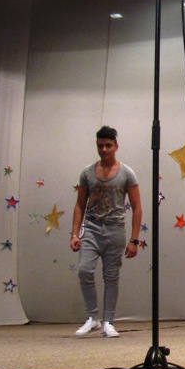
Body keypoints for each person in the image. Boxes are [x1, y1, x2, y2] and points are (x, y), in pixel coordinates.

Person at [70, 126, 142, 338]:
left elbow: (137, 207)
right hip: (91, 228)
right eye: (101, 145)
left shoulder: (126, 173)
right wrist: (75, 234)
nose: (104, 149)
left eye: (108, 145)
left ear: (116, 147)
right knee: (84, 270)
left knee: (111, 277)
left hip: (115, 229)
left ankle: (108, 321)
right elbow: (80, 204)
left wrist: (134, 240)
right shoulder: (87, 173)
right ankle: (93, 317)